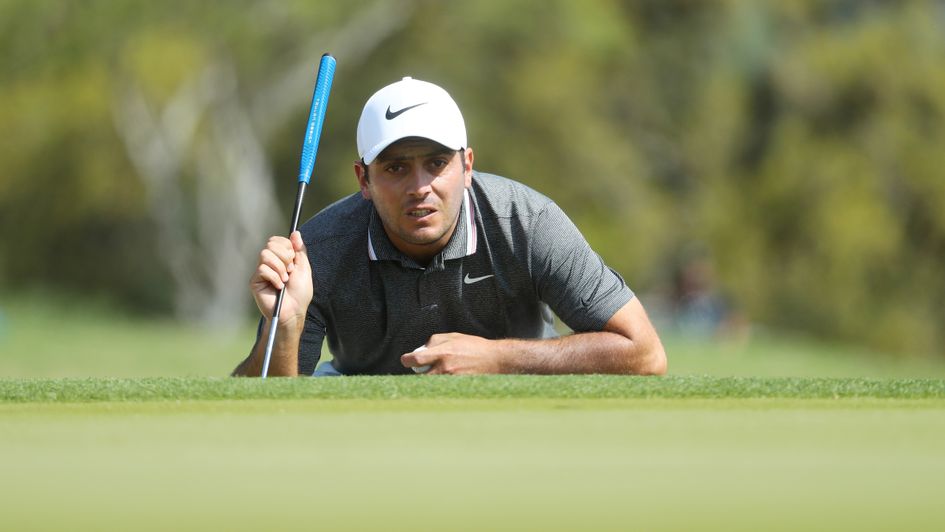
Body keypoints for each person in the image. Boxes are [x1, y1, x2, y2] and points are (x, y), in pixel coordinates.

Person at [233, 77, 666, 377]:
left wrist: (497, 359)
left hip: (517, 400)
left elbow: (645, 353)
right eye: (396, 168)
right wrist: (284, 327)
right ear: (363, 179)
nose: (419, 188)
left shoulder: (528, 223)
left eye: (437, 164)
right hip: (364, 419)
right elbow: (267, 410)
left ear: (467, 165)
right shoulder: (319, 250)